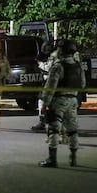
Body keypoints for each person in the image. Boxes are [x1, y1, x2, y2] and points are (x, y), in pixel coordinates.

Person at [39, 39, 86, 168]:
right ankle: (73, 158)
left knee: (54, 129)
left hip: (58, 101)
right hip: (73, 100)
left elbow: (50, 87)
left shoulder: (58, 66)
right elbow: (82, 84)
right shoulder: (78, 66)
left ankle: (52, 159)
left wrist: (45, 103)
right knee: (72, 130)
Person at [31, 40, 57, 131]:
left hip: (51, 82)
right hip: (50, 82)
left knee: (43, 102)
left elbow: (48, 69)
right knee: (43, 102)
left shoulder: (54, 57)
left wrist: (41, 64)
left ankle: (44, 122)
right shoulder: (54, 56)